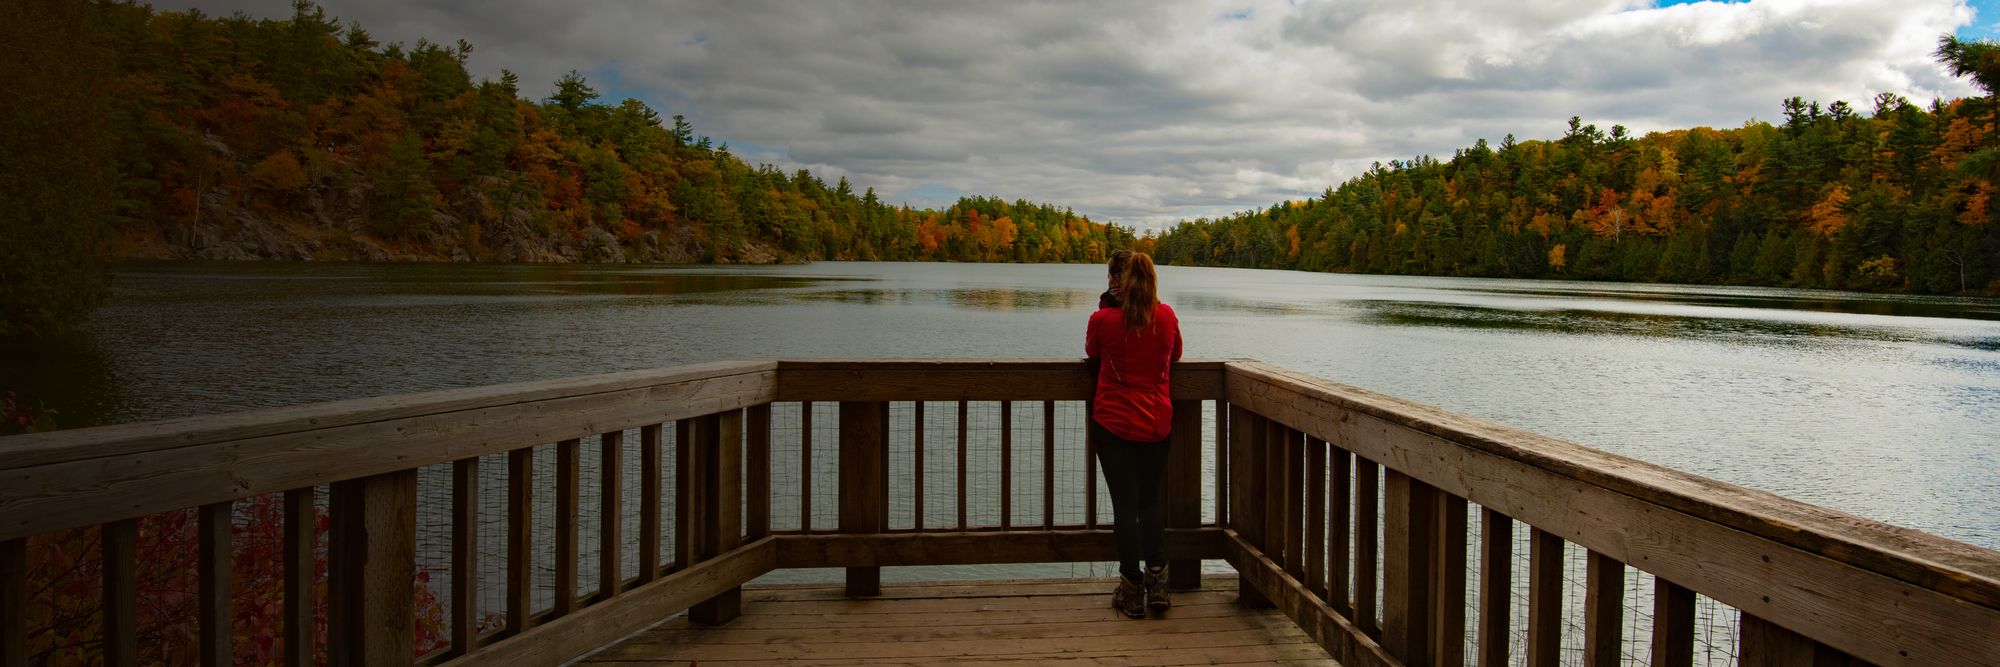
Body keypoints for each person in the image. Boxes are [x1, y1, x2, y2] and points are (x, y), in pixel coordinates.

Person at [1084, 250, 1181, 618]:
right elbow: (1177, 355)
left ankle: (1130, 589)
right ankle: (1158, 584)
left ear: (1114, 281)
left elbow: (1092, 351)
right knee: (1150, 502)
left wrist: (1107, 305)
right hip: (1156, 423)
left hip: (1114, 425)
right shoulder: (1167, 316)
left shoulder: (1104, 319)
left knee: (1125, 507)